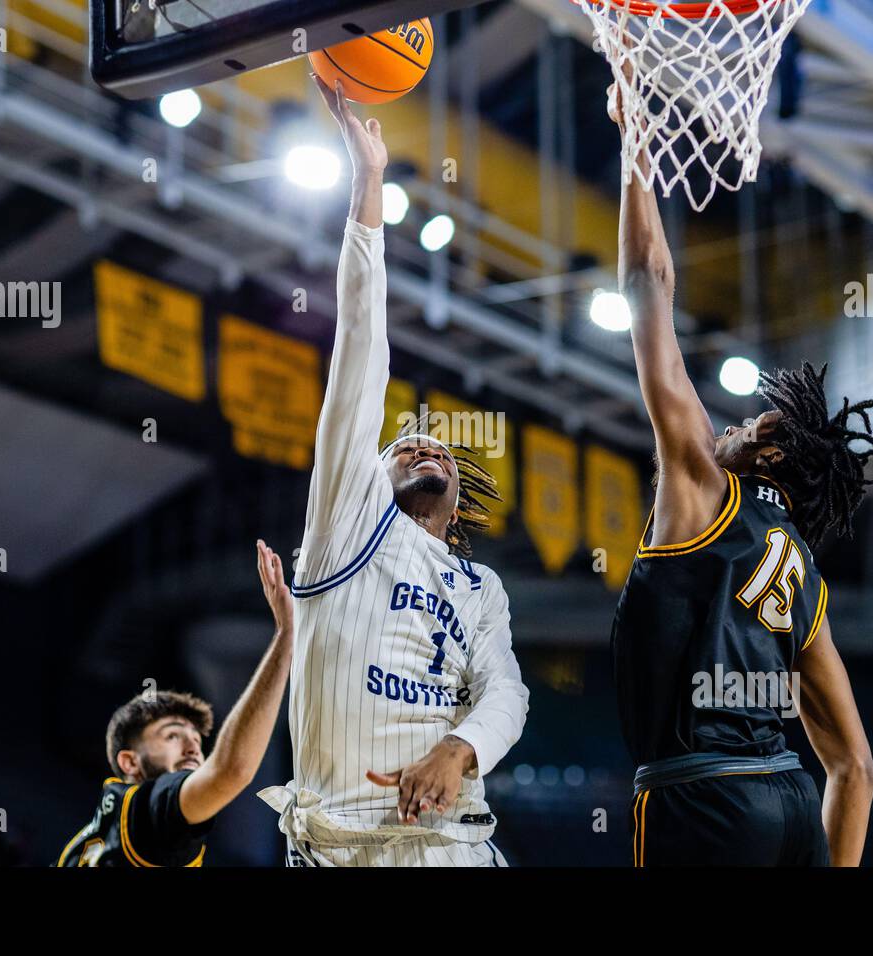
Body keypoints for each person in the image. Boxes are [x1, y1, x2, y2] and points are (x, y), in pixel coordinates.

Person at [606, 79, 873, 867]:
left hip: (702, 796)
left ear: (768, 457)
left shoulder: (702, 484)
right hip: (791, 800)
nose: (724, 427)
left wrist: (635, 148)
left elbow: (648, 287)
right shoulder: (802, 576)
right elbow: (855, 769)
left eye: (748, 427)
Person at [257, 78, 528, 867]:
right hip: (335, 846)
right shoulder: (347, 520)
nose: (422, 442)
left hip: (445, 843)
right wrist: (369, 184)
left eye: (441, 446)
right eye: (402, 441)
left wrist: (459, 751)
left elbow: (505, 691)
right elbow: (360, 355)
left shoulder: (482, 590)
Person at [55, 541, 293, 866]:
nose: (194, 747)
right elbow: (231, 771)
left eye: (196, 739)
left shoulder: (85, 843)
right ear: (130, 763)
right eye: (172, 736)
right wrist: (286, 634)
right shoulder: (147, 812)